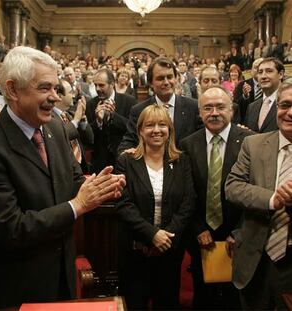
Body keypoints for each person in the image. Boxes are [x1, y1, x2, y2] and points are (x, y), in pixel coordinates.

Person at [0, 46, 126, 309]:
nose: (54, 97)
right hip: (17, 286)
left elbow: (72, 181)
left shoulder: (55, 127)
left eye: (56, 89)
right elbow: (11, 229)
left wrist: (98, 187)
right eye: (45, 88)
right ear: (13, 90)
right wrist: (79, 204)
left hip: (61, 275)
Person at [115, 105, 195, 310]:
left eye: (162, 125)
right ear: (140, 130)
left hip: (169, 251)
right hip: (135, 251)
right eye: (150, 125)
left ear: (170, 130)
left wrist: (166, 237)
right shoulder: (127, 160)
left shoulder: (182, 160)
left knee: (167, 303)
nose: (156, 130)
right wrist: (152, 235)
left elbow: (188, 203)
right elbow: (124, 204)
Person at [180, 86, 252, 309]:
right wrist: (198, 227)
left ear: (232, 110)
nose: (214, 113)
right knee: (204, 297)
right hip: (201, 235)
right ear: (200, 113)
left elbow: (255, 190)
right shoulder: (187, 144)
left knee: (236, 300)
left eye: (220, 107)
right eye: (208, 108)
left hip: (238, 236)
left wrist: (239, 231)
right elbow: (185, 193)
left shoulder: (251, 142)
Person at [225, 79, 292, 310]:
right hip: (256, 260)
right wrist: (273, 199)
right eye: (285, 105)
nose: (289, 112)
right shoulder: (253, 144)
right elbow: (232, 187)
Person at [118, 57, 200, 153]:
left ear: (176, 79)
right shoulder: (139, 110)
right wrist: (126, 152)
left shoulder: (193, 107)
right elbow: (128, 143)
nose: (166, 82)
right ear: (150, 83)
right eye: (160, 78)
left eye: (169, 77)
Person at [86, 68, 136, 173]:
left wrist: (114, 117)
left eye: (101, 85)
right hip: (100, 163)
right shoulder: (91, 104)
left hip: (123, 161)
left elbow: (133, 129)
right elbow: (89, 137)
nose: (97, 89)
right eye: (95, 85)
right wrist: (98, 122)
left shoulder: (128, 101)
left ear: (112, 84)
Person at [54, 79, 93, 174]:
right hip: (65, 171)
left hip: (80, 168)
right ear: (59, 96)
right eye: (70, 92)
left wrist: (82, 120)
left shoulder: (69, 114)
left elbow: (90, 139)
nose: (74, 95)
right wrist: (75, 121)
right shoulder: (48, 117)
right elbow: (60, 136)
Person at [244, 57, 285, 133]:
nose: (263, 76)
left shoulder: (288, 103)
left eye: (269, 71)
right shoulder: (251, 107)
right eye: (260, 72)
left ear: (281, 74)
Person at [233, 58, 264, 123]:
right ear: (251, 70)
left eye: (261, 68)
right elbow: (235, 106)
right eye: (256, 67)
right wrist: (245, 96)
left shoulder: (270, 85)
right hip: (245, 122)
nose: (258, 70)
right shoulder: (241, 85)